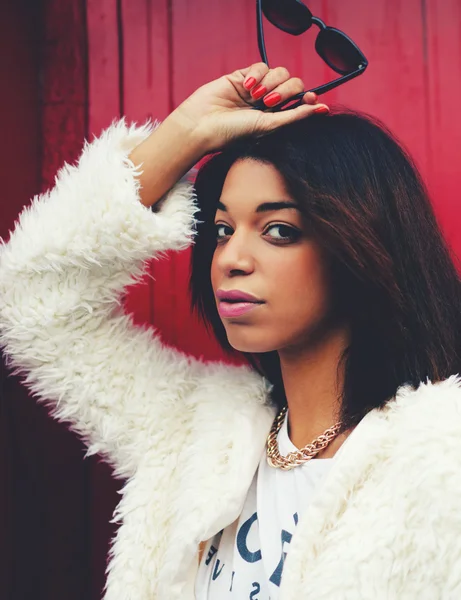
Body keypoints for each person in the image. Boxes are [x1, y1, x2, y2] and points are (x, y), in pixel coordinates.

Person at [1, 62, 461, 600]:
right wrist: (188, 131)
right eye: (222, 229)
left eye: (278, 230)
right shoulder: (197, 431)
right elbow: (32, 299)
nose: (231, 259)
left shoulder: (441, 460)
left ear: (362, 249)